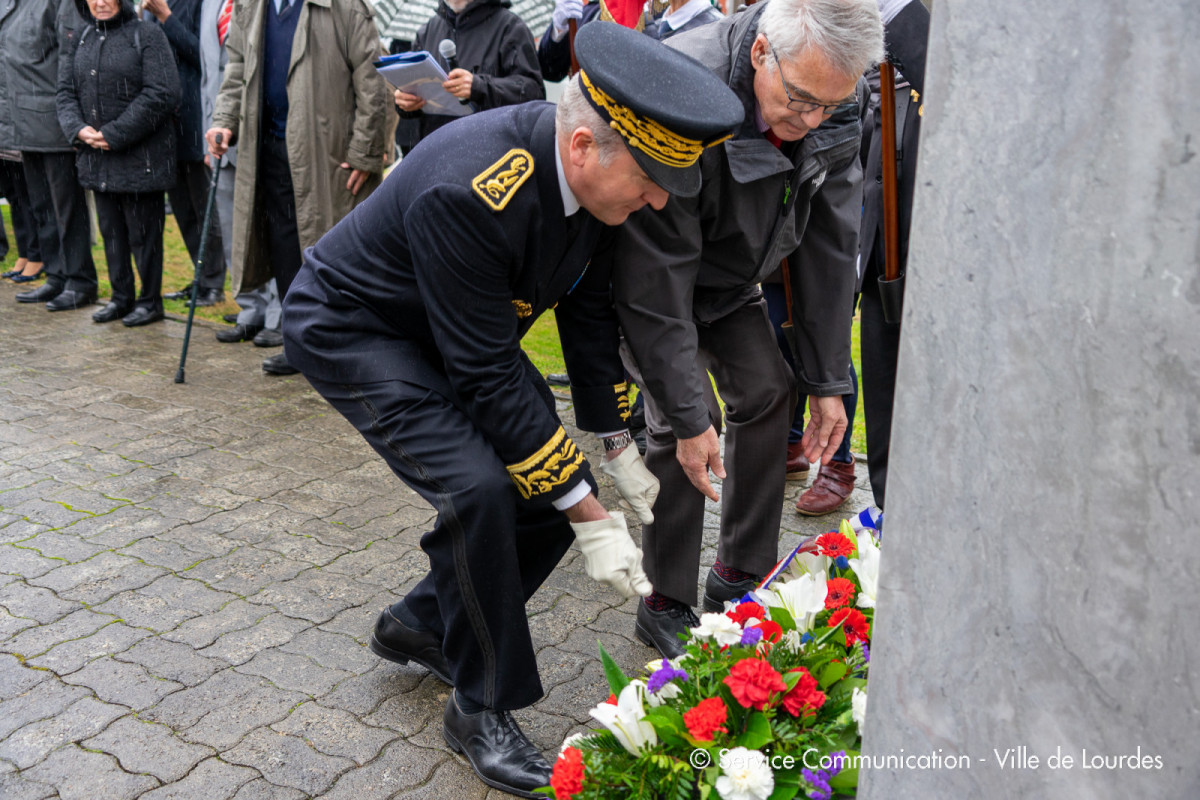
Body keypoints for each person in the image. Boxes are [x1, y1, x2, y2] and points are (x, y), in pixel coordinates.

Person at [281, 23, 743, 798]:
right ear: (584, 147)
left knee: (539, 490)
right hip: (357, 327)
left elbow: (590, 318)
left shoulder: (598, 193)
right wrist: (591, 513)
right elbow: (486, 373)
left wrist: (615, 445)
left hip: (455, 333)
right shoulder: (470, 187)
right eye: (651, 176)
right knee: (481, 489)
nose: (661, 196)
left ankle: (425, 624)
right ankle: (480, 705)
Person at [606, 0, 884, 657]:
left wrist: (826, 379)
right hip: (651, 275)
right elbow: (655, 273)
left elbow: (829, 242)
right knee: (682, 417)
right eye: (800, 101)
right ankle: (663, 599)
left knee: (768, 390)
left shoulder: (837, 98)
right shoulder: (684, 86)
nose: (812, 119)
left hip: (730, 281)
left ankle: (739, 574)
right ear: (761, 51)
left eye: (828, 105)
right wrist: (686, 411)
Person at [206, 0, 392, 375]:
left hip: (330, 154)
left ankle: (348, 345)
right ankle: (300, 344)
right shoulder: (251, 6)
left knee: (335, 250)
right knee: (284, 246)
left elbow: (373, 78)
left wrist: (364, 152)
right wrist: (225, 119)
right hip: (269, 147)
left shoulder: (344, 6)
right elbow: (237, 67)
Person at [56, 0, 180, 326]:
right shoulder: (81, 37)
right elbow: (65, 93)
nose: (100, 2)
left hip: (142, 159)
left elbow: (163, 92)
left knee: (144, 236)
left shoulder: (148, 35)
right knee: (112, 233)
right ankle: (121, 297)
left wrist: (115, 133)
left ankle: (150, 302)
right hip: (97, 159)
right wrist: (78, 129)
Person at [858, 0, 929, 510]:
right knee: (883, 401)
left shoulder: (915, 26)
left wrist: (899, 11)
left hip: (939, 260)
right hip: (882, 255)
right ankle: (887, 520)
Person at [0, 0, 100, 312]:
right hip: (21, 122)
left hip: (54, 122)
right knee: (42, 207)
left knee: (67, 209)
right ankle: (56, 275)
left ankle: (80, 280)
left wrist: (73, 119)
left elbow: (72, 58)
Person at [199, 0, 282, 344]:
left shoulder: (268, 7)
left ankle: (280, 314)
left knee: (272, 227)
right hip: (220, 137)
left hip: (261, 136)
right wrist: (212, 125)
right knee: (234, 230)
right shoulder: (208, 6)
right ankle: (251, 308)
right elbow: (211, 72)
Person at [144, 0, 228, 307]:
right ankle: (199, 277)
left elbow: (202, 55)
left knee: (204, 208)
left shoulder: (198, 4)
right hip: (166, 126)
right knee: (181, 209)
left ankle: (214, 283)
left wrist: (165, 17)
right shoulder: (148, 7)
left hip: (195, 119)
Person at [394, 0, 544, 143]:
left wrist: (479, 87)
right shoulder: (427, 31)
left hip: (492, 152)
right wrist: (405, 102)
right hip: (435, 150)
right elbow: (413, 94)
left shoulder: (510, 27)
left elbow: (533, 92)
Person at [0, 152, 45, 282]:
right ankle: (24, 254)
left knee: (25, 198)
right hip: (4, 145)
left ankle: (35, 256)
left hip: (18, 145)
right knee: (14, 199)